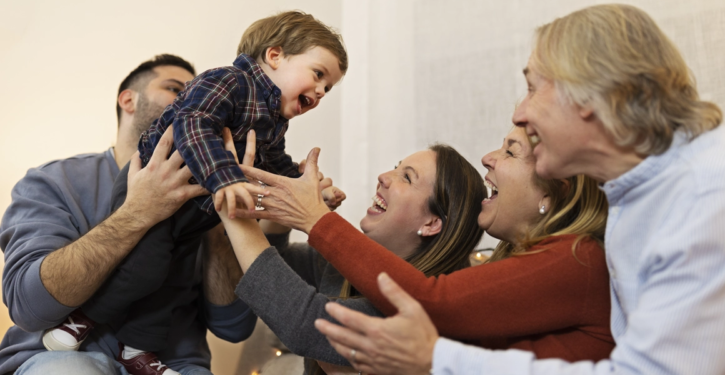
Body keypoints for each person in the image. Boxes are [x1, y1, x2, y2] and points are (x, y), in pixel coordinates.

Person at [317, 4, 725, 375]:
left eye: (533, 88)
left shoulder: (704, 196)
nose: (520, 113)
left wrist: (437, 360)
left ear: (589, 91)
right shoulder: (637, 203)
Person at [42, 10, 348, 375]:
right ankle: (82, 318)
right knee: (144, 268)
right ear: (275, 55)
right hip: (149, 189)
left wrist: (304, 190)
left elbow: (272, 162)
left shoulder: (274, 122)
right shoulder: (229, 81)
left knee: (174, 275)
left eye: (328, 88)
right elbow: (193, 123)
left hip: (191, 209)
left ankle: (138, 349)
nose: (320, 91)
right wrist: (226, 177)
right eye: (318, 75)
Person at [231, 125, 615, 370]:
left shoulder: (576, 257)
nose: (489, 158)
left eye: (510, 152)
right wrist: (281, 218)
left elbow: (430, 302)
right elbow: (267, 272)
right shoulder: (524, 261)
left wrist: (308, 217)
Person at [0, 55, 257, 375]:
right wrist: (138, 212)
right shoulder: (52, 181)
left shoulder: (207, 192)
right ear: (128, 100)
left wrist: (222, 216)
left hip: (174, 366)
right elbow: (29, 307)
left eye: (200, 94)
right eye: (176, 89)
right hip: (56, 358)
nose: (194, 102)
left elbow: (233, 328)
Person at [220, 131, 486, 374]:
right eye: (396, 167)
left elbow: (305, 325)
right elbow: (275, 268)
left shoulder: (415, 307)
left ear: (431, 223)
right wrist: (285, 205)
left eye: (406, 177)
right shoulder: (345, 268)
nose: (384, 176)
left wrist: (226, 192)